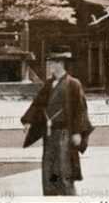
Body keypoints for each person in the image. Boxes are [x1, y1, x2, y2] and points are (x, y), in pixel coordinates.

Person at [21, 46, 93, 196]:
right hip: (50, 134)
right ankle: (51, 195)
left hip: (65, 133)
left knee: (64, 169)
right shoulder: (48, 84)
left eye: (52, 62)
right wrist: (28, 120)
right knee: (49, 170)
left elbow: (80, 109)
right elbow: (38, 104)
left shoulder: (73, 84)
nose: (49, 65)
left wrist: (78, 132)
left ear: (60, 63)